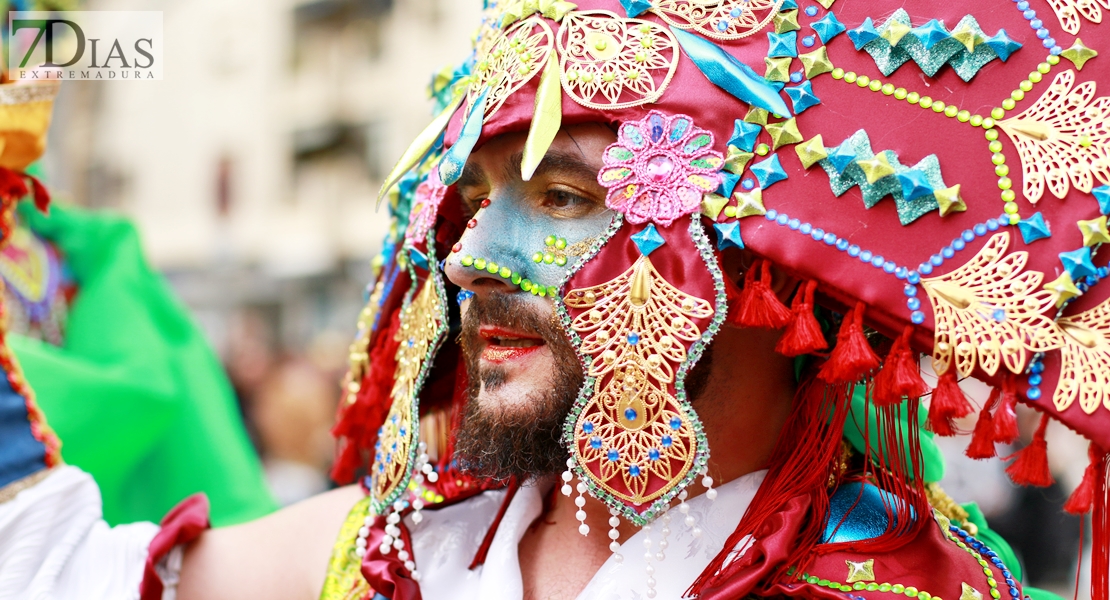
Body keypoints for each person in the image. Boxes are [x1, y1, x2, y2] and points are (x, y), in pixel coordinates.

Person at [4, 0, 1110, 599]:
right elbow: (60, 575)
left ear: (754, 260)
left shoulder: (910, 587)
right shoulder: (411, 548)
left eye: (565, 195)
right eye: (477, 199)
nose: (476, 251)